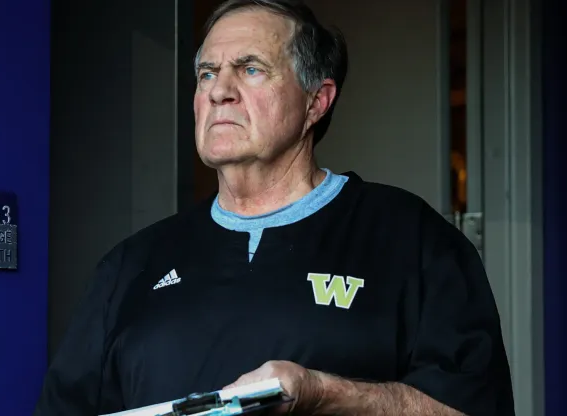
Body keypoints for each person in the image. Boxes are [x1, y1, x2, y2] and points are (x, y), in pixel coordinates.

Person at [34, 0, 515, 415]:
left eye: (250, 69)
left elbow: (473, 406)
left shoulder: (411, 239)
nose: (219, 90)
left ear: (316, 102)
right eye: (207, 73)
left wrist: (323, 394)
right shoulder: (131, 266)